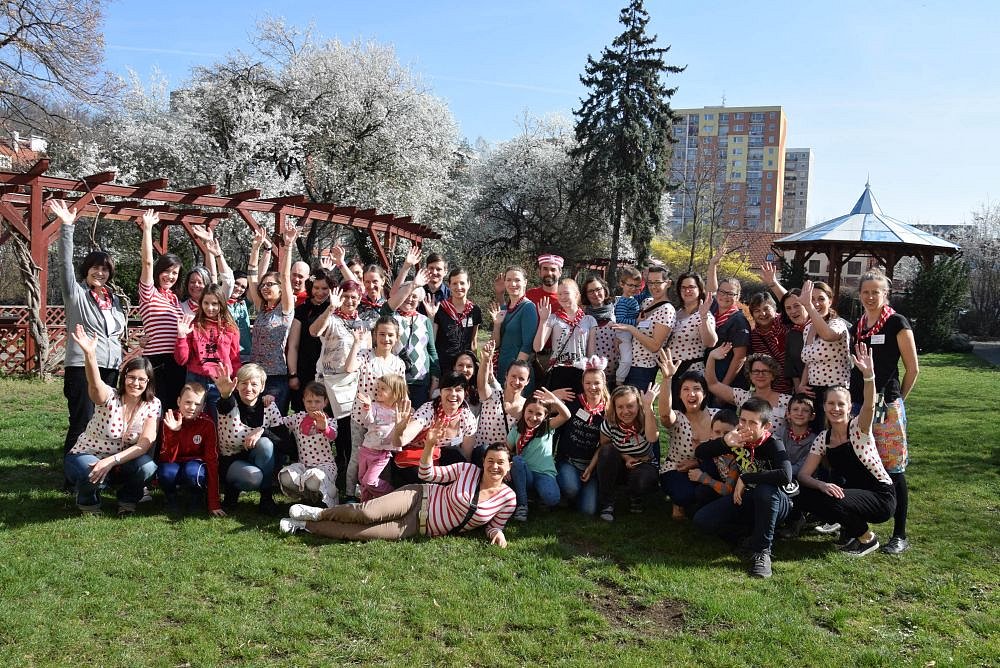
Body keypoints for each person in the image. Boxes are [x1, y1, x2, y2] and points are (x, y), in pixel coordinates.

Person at [280, 436, 516, 548]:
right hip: (418, 497)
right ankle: (317, 513)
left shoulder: (508, 498)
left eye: (500, 462)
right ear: (483, 461)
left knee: (360, 533)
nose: (494, 466)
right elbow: (427, 474)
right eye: (490, 461)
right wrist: (429, 447)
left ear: (509, 467)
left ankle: (303, 526)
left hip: (417, 527)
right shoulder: (467, 470)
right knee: (365, 513)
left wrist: (498, 533)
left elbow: (494, 526)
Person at [796, 343, 896, 557]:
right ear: (824, 407)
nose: (836, 408)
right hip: (853, 496)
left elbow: (869, 405)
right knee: (804, 494)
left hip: (881, 496)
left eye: (841, 404)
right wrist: (822, 485)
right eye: (831, 404)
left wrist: (868, 376)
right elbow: (804, 475)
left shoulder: (859, 428)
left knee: (831, 499)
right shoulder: (823, 439)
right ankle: (854, 533)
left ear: (850, 407)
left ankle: (867, 539)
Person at [49, 200, 128, 460]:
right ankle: (73, 472)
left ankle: (98, 466)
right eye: (96, 267)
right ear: (87, 269)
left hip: (110, 367)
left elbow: (113, 332)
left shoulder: (113, 300)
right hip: (81, 367)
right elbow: (64, 264)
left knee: (104, 420)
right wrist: (67, 227)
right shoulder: (76, 294)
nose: (100, 273)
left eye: (105, 269)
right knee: (82, 420)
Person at [851, 269, 919, 554]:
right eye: (866, 292)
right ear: (860, 294)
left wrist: (896, 401)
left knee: (893, 468)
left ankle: (899, 534)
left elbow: (913, 369)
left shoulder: (896, 323)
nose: (870, 297)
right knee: (862, 464)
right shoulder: (860, 325)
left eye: (875, 292)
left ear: (885, 294)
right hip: (859, 403)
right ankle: (860, 529)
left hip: (885, 405)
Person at [692, 397, 794, 578]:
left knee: (764, 490)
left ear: (766, 426)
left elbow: (786, 475)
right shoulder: (737, 439)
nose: (746, 427)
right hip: (747, 499)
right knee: (702, 520)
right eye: (743, 420)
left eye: (753, 423)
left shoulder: (773, 443)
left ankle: (762, 552)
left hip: (777, 501)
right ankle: (749, 538)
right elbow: (700, 452)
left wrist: (746, 478)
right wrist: (725, 442)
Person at [63, 325, 159, 515]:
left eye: (142, 379)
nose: (136, 383)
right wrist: (90, 355)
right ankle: (88, 502)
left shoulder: (153, 404)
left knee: (147, 466)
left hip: (119, 462)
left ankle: (127, 501)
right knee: (90, 471)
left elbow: (144, 445)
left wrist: (111, 461)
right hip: (88, 455)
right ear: (124, 377)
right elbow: (94, 384)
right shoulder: (109, 396)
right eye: (131, 377)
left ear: (148, 382)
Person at [312, 280, 367, 491]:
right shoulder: (332, 318)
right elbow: (314, 331)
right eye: (346, 296)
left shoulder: (363, 323)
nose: (349, 301)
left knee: (348, 433)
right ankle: (325, 476)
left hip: (353, 384)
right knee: (330, 430)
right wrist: (330, 308)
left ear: (359, 299)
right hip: (330, 384)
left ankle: (348, 477)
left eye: (354, 297)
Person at [347, 316, 406, 498]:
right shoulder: (365, 355)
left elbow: (401, 393)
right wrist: (356, 343)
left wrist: (401, 417)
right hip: (361, 417)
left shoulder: (398, 364)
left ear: (396, 338)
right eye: (381, 334)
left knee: (382, 460)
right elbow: (349, 367)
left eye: (390, 335)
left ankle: (381, 498)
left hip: (385, 423)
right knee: (357, 457)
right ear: (374, 335)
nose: (386, 339)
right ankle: (350, 494)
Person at [213, 361, 282, 514]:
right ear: (237, 385)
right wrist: (225, 394)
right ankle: (231, 491)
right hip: (230, 460)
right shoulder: (230, 401)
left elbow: (284, 441)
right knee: (253, 477)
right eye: (244, 383)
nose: (248, 388)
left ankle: (266, 499)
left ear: (262, 387)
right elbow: (224, 406)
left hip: (256, 458)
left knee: (266, 444)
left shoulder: (269, 406)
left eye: (254, 384)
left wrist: (262, 431)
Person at [657, 350, 718, 520]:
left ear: (704, 393)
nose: (691, 394)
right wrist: (667, 378)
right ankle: (680, 503)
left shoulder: (717, 416)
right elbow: (664, 414)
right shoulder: (677, 417)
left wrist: (697, 463)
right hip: (676, 469)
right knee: (684, 496)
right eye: (686, 389)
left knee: (704, 494)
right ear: (679, 395)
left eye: (696, 389)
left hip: (710, 468)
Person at [391, 371, 478, 487]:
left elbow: (466, 457)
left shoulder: (467, 417)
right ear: (440, 392)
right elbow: (400, 441)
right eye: (448, 389)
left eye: (458, 390)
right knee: (424, 479)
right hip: (418, 459)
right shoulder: (429, 410)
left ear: (465, 393)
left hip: (441, 460)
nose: (453, 394)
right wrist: (399, 431)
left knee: (456, 455)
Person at [247, 225, 299, 415]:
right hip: (255, 374)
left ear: (280, 288)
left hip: (276, 376)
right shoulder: (262, 308)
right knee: (254, 419)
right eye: (263, 285)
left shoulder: (285, 309)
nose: (265, 288)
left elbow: (285, 276)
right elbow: (252, 278)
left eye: (270, 284)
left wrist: (289, 245)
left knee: (274, 422)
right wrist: (255, 249)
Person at [592, 383, 661, 521]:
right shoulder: (609, 424)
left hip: (644, 463)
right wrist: (626, 457)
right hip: (621, 464)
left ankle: (635, 496)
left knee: (641, 480)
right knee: (606, 452)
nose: (625, 411)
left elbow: (653, 438)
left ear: (638, 405)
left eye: (630, 406)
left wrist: (648, 407)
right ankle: (607, 502)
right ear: (614, 408)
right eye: (620, 407)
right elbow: (605, 446)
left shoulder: (646, 419)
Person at [138, 208, 185, 411]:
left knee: (175, 408)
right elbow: (147, 263)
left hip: (177, 360)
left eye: (175, 273)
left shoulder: (175, 299)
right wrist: (148, 228)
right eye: (166, 271)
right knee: (156, 408)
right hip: (156, 360)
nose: (170, 276)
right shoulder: (149, 293)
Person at [174, 283, 241, 422]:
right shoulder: (193, 325)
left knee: (220, 421)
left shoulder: (230, 328)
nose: (210, 308)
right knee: (194, 421)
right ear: (201, 303)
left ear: (221, 304)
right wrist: (181, 336)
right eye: (206, 303)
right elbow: (182, 360)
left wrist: (236, 383)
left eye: (214, 304)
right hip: (196, 378)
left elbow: (234, 359)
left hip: (220, 380)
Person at [555, 357, 609, 516]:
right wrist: (554, 396)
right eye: (588, 383)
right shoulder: (574, 402)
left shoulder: (609, 411)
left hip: (590, 465)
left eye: (597, 383)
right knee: (571, 489)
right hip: (568, 461)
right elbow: (544, 410)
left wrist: (590, 468)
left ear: (604, 383)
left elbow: (604, 445)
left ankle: (575, 495)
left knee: (588, 511)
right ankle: (567, 492)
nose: (592, 387)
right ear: (582, 383)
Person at [159, 383, 223, 516]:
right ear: (178, 401)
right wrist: (174, 432)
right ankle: (170, 497)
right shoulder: (170, 419)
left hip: (195, 462)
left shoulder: (208, 424)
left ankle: (197, 497)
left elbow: (212, 461)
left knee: (193, 472)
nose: (192, 407)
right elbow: (167, 457)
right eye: (187, 402)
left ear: (203, 406)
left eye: (197, 404)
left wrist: (214, 503)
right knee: (166, 473)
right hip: (174, 461)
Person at [507, 388, 571, 521]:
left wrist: (555, 401)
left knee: (552, 499)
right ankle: (522, 504)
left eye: (539, 414)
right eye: (530, 411)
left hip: (543, 473)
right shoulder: (517, 429)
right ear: (524, 411)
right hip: (525, 473)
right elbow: (506, 450)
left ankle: (535, 496)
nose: (533, 417)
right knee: (517, 460)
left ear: (545, 416)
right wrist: (507, 466)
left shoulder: (547, 427)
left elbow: (566, 416)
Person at [797, 280, 852, 431]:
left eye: (821, 299)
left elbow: (828, 335)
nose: (816, 303)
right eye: (811, 299)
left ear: (830, 301)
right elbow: (809, 361)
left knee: (833, 434)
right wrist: (802, 384)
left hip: (835, 392)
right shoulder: (808, 328)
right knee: (815, 434)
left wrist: (808, 306)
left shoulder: (837, 323)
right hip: (814, 392)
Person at [612, 265, 675, 391]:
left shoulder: (667, 310)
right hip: (626, 363)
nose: (653, 286)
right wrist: (620, 338)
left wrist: (631, 329)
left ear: (668, 283)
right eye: (650, 282)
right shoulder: (646, 303)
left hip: (642, 369)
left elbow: (655, 346)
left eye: (657, 282)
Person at [276, 381, 339, 509]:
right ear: (304, 401)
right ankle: (309, 497)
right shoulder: (298, 418)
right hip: (304, 466)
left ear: (325, 402)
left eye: (317, 401)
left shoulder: (330, 421)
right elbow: (277, 422)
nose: (313, 405)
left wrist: (325, 428)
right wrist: (270, 404)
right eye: (309, 401)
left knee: (313, 480)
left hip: (324, 467)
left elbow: (333, 435)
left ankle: (330, 492)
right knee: (285, 477)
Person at [706, 345, 791, 434]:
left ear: (773, 375)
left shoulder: (786, 401)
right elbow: (712, 384)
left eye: (765, 371)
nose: (760, 375)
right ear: (750, 375)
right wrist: (711, 357)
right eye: (756, 371)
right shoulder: (742, 396)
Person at [383, 274, 439, 408]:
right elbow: (387, 308)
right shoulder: (392, 317)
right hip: (395, 381)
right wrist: (412, 285)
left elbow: (431, 351)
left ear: (419, 300)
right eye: (407, 295)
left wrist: (435, 380)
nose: (410, 299)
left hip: (420, 381)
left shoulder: (425, 320)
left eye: (414, 296)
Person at [533, 279, 596, 393]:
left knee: (578, 404)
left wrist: (592, 374)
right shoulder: (553, 318)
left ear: (576, 294)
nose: (562, 297)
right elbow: (537, 347)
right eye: (559, 294)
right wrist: (543, 321)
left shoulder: (589, 320)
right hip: (558, 372)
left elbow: (591, 353)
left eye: (566, 293)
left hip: (580, 372)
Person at [705, 247, 751, 402]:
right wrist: (713, 264)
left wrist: (723, 388)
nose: (724, 296)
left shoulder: (739, 321)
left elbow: (740, 358)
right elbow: (711, 289)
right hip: (711, 376)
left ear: (737, 296)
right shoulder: (714, 309)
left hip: (726, 381)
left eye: (730, 294)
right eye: (722, 292)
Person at [355, 374, 408, 501]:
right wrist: (367, 408)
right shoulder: (375, 406)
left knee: (369, 481)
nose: (378, 390)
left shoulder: (398, 411)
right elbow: (368, 421)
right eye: (377, 387)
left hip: (381, 455)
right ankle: (365, 503)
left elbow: (403, 428)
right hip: (366, 450)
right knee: (362, 480)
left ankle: (391, 495)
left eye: (383, 388)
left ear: (395, 393)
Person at [287, 268, 333, 413]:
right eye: (316, 288)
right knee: (303, 412)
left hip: (328, 369)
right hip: (305, 368)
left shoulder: (334, 309)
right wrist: (293, 374)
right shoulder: (302, 310)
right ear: (310, 287)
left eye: (325, 288)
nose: (320, 292)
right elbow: (293, 345)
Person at [667, 272, 718, 403]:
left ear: (699, 289)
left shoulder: (703, 314)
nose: (687, 291)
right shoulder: (676, 312)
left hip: (692, 374)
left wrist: (703, 317)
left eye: (691, 287)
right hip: (672, 372)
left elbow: (710, 342)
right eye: (683, 287)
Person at [475, 341, 529, 456]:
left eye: (521, 378)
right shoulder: (492, 395)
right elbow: (481, 384)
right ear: (506, 376)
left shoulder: (527, 406)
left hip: (504, 460)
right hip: (481, 455)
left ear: (527, 381)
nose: (516, 382)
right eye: (513, 376)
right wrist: (486, 360)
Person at [493, 266, 540, 394]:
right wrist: (496, 325)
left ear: (525, 282)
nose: (513, 284)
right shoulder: (504, 308)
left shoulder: (528, 308)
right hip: (502, 369)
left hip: (517, 375)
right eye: (509, 280)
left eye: (517, 280)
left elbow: (527, 346)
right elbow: (496, 344)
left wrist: (515, 375)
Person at [433, 267, 482, 380]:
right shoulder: (440, 308)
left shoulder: (475, 310)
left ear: (469, 284)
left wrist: (475, 365)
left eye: (462, 283)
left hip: (464, 367)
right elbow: (433, 340)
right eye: (454, 283)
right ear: (449, 286)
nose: (458, 287)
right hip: (444, 365)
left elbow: (473, 342)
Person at [688, 410, 740, 513]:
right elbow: (699, 452)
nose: (722, 437)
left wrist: (703, 478)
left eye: (726, 433)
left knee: (701, 493)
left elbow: (727, 490)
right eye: (717, 432)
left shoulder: (736, 457)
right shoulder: (710, 448)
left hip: (733, 495)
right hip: (717, 484)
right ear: (711, 433)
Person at [746, 291, 793, 394]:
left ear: (774, 308)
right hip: (772, 389)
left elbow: (792, 301)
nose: (762, 314)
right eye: (757, 311)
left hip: (797, 384)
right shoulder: (753, 336)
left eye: (766, 309)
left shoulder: (786, 323)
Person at [582, 275, 621, 384]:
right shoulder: (583, 315)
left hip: (619, 373)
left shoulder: (617, 308)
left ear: (604, 289)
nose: (595, 294)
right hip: (594, 376)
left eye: (598, 289)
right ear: (586, 295)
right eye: (591, 291)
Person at [612, 266, 643, 387]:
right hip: (623, 333)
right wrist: (636, 321)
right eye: (630, 285)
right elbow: (620, 320)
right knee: (626, 360)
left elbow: (643, 295)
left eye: (636, 286)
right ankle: (619, 381)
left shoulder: (632, 299)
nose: (633, 288)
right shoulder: (623, 302)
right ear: (622, 284)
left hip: (629, 333)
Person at [229, 270, 253, 363]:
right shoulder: (219, 303)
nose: (239, 288)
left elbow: (255, 282)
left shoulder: (244, 303)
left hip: (246, 354)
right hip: (227, 355)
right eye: (236, 283)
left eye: (243, 287)